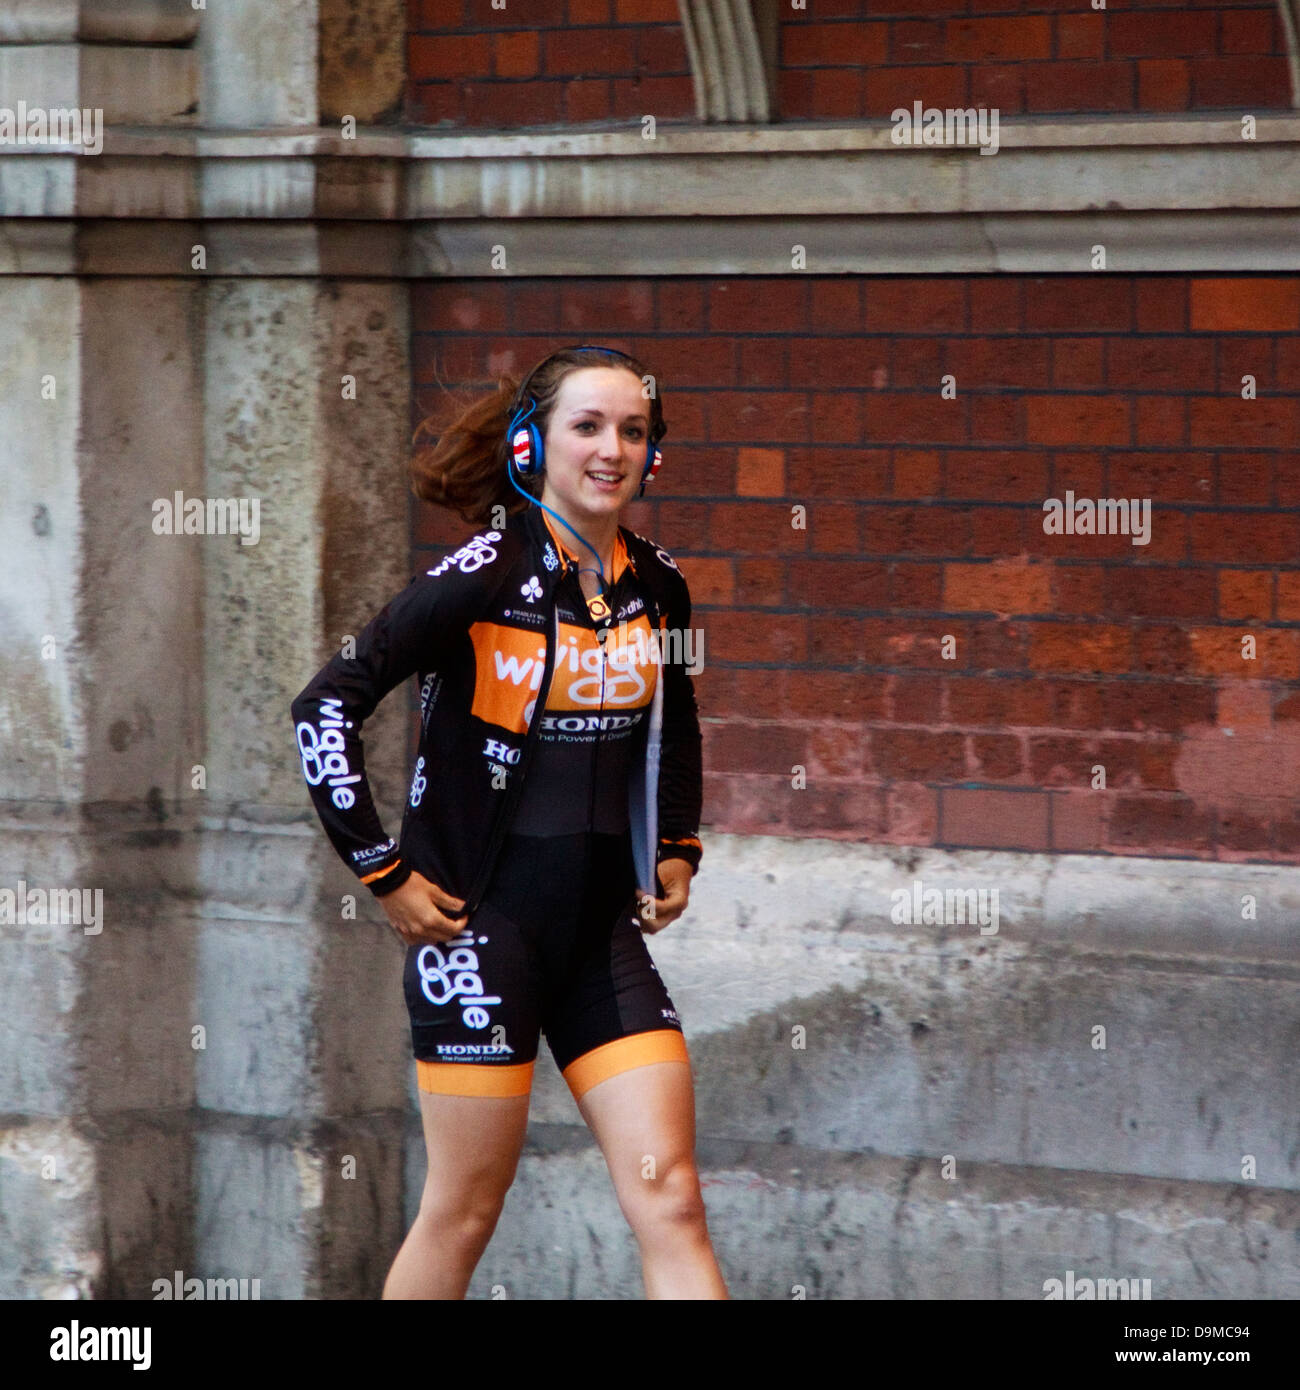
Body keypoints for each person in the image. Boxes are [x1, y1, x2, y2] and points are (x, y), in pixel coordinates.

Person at [290, 343, 728, 1300]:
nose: (612, 448)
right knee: (465, 1208)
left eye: (634, 430)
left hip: (600, 938)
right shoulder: (480, 573)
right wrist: (383, 872)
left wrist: (678, 848)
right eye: (588, 426)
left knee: (674, 1198)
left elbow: (678, 723)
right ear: (533, 445)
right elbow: (323, 708)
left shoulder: (660, 583)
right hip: (478, 933)